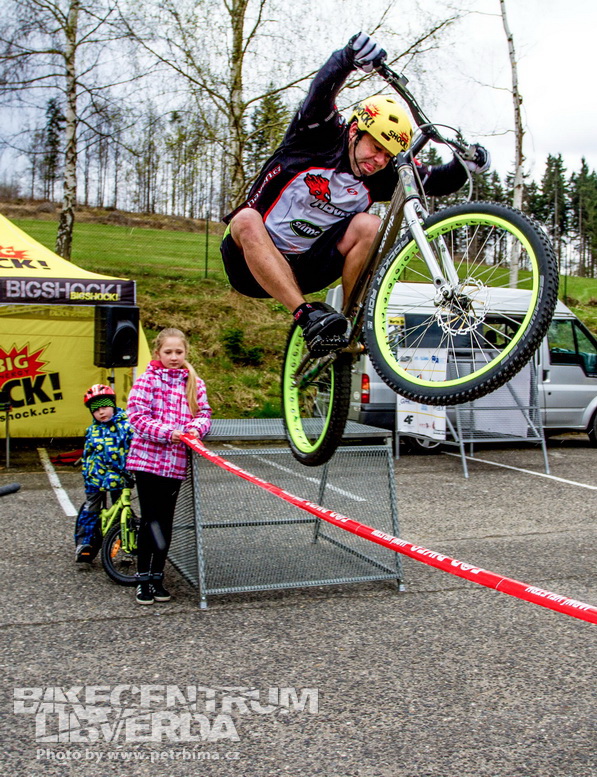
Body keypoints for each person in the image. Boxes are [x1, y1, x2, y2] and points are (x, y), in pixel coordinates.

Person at [221, 32, 490, 354]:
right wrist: (348, 58)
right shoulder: (316, 137)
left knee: (369, 224)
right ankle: (307, 317)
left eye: (387, 156)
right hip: (249, 264)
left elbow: (439, 181)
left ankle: (350, 323)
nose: (378, 161)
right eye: (375, 148)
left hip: (309, 266)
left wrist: (466, 163)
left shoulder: (380, 175)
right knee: (246, 218)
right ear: (353, 131)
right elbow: (320, 93)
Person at [126, 328, 211, 605]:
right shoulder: (146, 380)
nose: (174, 357)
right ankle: (142, 580)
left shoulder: (195, 382)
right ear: (157, 353)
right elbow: (136, 416)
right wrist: (169, 432)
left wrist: (195, 429)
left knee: (166, 521)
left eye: (179, 352)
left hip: (174, 464)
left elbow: (204, 413)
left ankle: (157, 576)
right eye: (168, 352)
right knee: (150, 520)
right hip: (147, 461)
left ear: (186, 352)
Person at [75, 384, 133, 564]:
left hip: (120, 477)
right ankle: (84, 543)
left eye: (105, 407)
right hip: (96, 477)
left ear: (113, 406)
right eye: (96, 410)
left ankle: (123, 541)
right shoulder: (92, 430)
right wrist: (87, 473)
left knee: (122, 509)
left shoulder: (126, 426)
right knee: (91, 508)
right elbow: (87, 454)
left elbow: (135, 448)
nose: (101, 413)